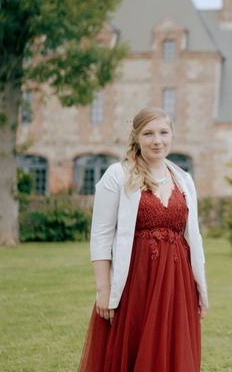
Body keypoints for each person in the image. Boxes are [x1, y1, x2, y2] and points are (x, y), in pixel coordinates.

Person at [79, 107, 208, 371]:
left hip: (177, 282)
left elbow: (193, 238)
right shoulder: (117, 175)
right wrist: (104, 289)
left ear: (172, 135)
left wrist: (199, 290)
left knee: (171, 350)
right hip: (136, 280)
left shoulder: (184, 180)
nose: (157, 140)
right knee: (135, 347)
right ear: (136, 137)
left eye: (163, 132)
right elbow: (101, 235)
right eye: (148, 133)